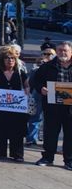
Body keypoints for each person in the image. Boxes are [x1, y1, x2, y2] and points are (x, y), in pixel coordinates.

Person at [31, 41, 72, 170]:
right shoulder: (47, 66)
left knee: (70, 134)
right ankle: (48, 157)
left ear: (71, 52)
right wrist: (41, 88)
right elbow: (35, 80)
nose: (62, 53)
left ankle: (69, 160)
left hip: (70, 108)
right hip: (52, 106)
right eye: (59, 50)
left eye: (65, 50)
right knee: (50, 133)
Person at [0, 46, 29, 162]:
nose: (10, 60)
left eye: (12, 58)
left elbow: (27, 85)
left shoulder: (20, 72)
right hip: (0, 107)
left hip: (16, 107)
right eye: (7, 58)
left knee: (17, 129)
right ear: (2, 60)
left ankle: (17, 154)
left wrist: (27, 90)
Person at [26, 48, 55, 147]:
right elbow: (32, 81)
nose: (47, 56)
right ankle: (31, 139)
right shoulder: (37, 67)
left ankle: (46, 140)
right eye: (45, 54)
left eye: (50, 54)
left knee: (50, 118)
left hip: (53, 93)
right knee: (35, 116)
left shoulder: (57, 66)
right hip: (38, 93)